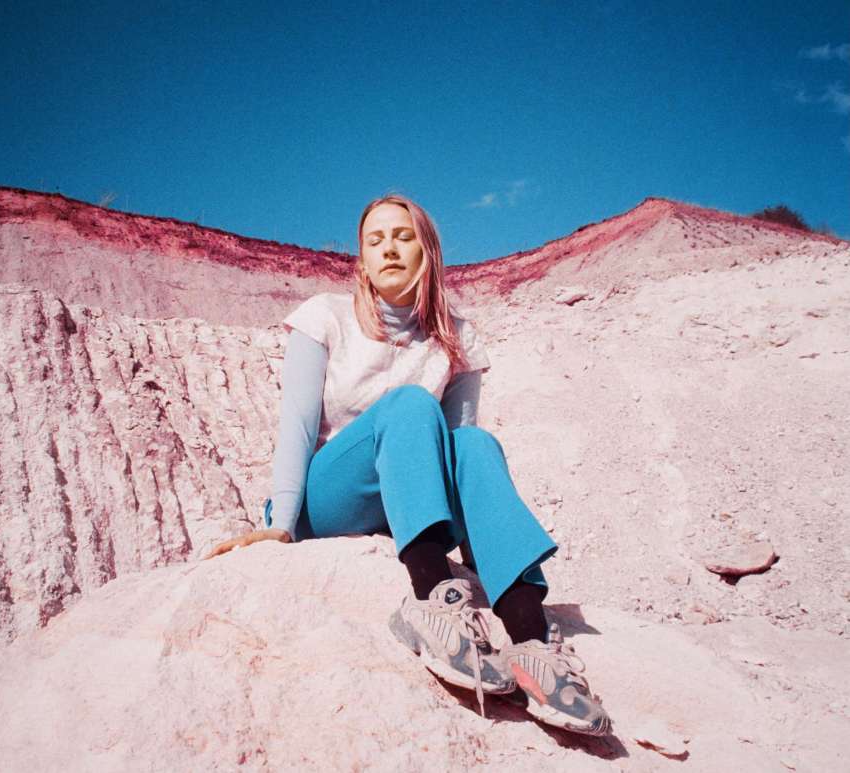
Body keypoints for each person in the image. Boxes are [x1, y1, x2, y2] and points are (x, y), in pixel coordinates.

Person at [204, 194, 610, 736]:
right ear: (362, 260)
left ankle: (533, 645)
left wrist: (485, 557)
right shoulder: (324, 316)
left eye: (403, 236)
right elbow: (296, 425)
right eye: (375, 241)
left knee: (475, 444)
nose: (389, 249)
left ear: (428, 250)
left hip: (407, 506)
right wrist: (280, 523)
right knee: (411, 404)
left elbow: (457, 457)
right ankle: (432, 605)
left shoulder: (458, 338)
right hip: (329, 501)